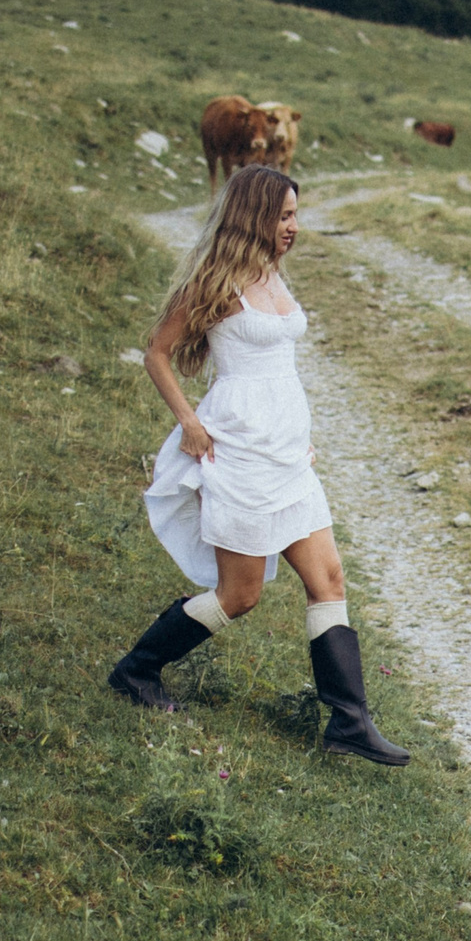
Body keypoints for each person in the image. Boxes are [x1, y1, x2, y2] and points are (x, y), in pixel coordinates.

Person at [107, 165, 408, 766]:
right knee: (239, 596)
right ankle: (136, 671)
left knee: (329, 581)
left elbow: (280, 371)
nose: (295, 227)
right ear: (255, 217)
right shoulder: (215, 283)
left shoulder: (272, 274)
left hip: (289, 457)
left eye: (296, 215)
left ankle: (349, 722)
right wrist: (190, 423)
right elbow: (158, 353)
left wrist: (297, 434)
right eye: (285, 216)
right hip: (238, 453)